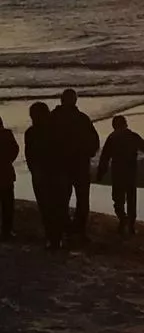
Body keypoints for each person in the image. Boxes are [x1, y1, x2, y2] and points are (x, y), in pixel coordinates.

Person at [96, 115, 144, 235]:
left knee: (118, 200)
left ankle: (123, 220)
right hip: (130, 172)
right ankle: (131, 226)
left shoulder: (112, 137)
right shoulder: (132, 136)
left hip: (118, 172)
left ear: (114, 125)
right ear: (125, 124)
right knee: (131, 199)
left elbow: (105, 158)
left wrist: (101, 173)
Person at [50, 87, 99, 240]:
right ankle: (77, 229)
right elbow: (94, 141)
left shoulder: (53, 118)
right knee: (80, 199)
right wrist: (88, 153)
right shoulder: (82, 118)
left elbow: (45, 141)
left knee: (62, 199)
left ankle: (67, 228)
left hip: (62, 165)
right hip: (77, 165)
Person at [24, 102, 65, 249]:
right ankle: (56, 237)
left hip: (42, 174)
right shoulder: (56, 129)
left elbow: (29, 155)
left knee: (46, 207)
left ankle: (52, 237)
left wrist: (34, 171)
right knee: (57, 206)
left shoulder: (31, 132)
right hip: (55, 173)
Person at [0, 116, 18, 240]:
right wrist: (8, 160)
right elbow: (15, 149)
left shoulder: (6, 134)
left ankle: (7, 230)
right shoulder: (6, 134)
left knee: (7, 204)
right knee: (7, 204)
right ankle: (7, 230)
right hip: (6, 172)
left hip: (5, 171)